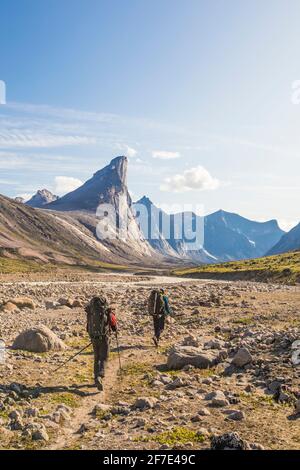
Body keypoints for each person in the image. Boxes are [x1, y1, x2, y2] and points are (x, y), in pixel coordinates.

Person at [85, 296, 117, 391]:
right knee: (104, 357)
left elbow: (88, 326)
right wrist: (115, 330)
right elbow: (113, 323)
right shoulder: (106, 311)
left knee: (96, 357)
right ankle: (100, 375)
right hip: (104, 337)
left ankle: (96, 378)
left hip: (94, 337)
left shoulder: (90, 311)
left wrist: (91, 335)